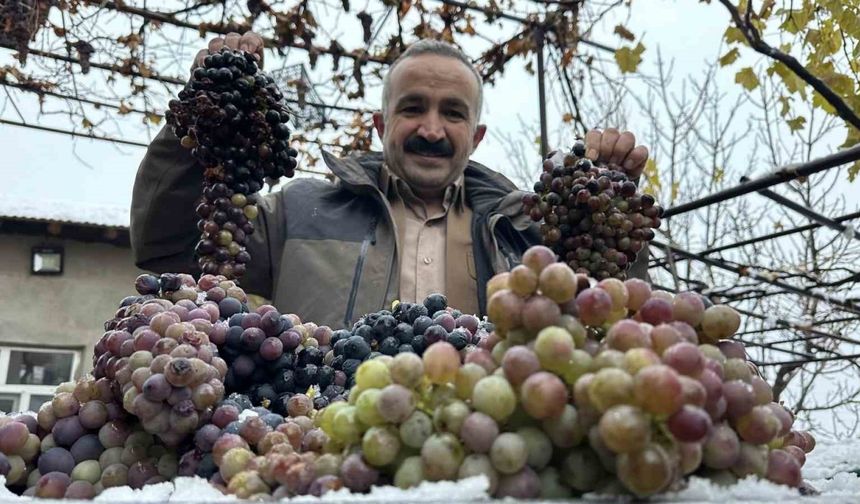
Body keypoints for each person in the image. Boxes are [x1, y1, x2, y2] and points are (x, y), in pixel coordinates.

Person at [131, 32, 650, 329]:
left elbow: (615, 311)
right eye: (412, 109)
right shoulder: (297, 210)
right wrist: (200, 118)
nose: (431, 129)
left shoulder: (531, 230)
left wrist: (613, 207)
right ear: (380, 126)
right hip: (323, 457)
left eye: (452, 113)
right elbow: (169, 248)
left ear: (477, 135)